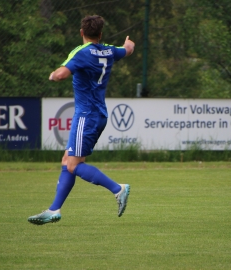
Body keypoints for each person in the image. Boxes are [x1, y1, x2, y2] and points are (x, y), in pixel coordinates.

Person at [28, 15, 135, 225]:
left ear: (81, 33)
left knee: (73, 165)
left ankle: (118, 189)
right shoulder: (109, 50)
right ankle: (54, 209)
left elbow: (61, 75)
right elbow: (127, 50)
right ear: (100, 34)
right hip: (98, 114)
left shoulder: (81, 52)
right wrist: (128, 44)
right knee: (67, 160)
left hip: (86, 116)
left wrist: (52, 74)